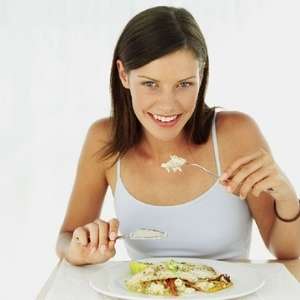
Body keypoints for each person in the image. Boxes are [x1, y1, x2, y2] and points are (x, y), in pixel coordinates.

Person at [56, 6, 300, 266]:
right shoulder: (104, 138)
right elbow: (66, 238)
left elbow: (287, 252)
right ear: (124, 74)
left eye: (184, 84)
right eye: (150, 84)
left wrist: (287, 198)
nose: (168, 105)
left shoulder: (235, 134)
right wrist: (76, 249)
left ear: (201, 74)